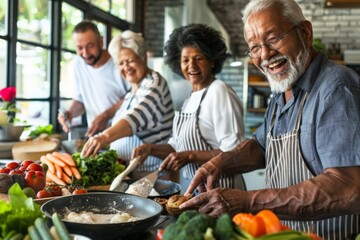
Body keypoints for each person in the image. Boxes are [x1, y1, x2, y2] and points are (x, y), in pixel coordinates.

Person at [179, 0, 360, 239]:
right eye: (254, 47)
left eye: (274, 39)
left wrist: (246, 200)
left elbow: (347, 186)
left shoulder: (336, 88)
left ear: (305, 33)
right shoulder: (281, 91)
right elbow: (261, 146)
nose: (264, 54)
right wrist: (220, 162)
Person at [132, 23, 246, 191]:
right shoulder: (189, 99)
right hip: (198, 191)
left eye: (198, 58)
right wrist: (151, 149)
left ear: (212, 61)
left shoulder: (218, 90)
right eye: (185, 60)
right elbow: (177, 147)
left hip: (223, 189)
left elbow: (235, 153)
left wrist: (190, 156)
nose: (191, 65)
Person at [80, 30, 174, 178]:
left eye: (130, 60)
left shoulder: (154, 85)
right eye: (121, 63)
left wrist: (103, 138)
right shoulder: (134, 88)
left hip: (154, 176)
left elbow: (134, 118)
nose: (126, 67)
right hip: (131, 174)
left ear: (142, 57)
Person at [57, 20, 129, 137]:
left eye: (90, 46)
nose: (85, 53)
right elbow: (80, 100)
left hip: (122, 136)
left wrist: (106, 115)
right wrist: (70, 113)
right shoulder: (78, 64)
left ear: (101, 42)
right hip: (96, 138)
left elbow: (133, 97)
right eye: (80, 48)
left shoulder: (119, 63)